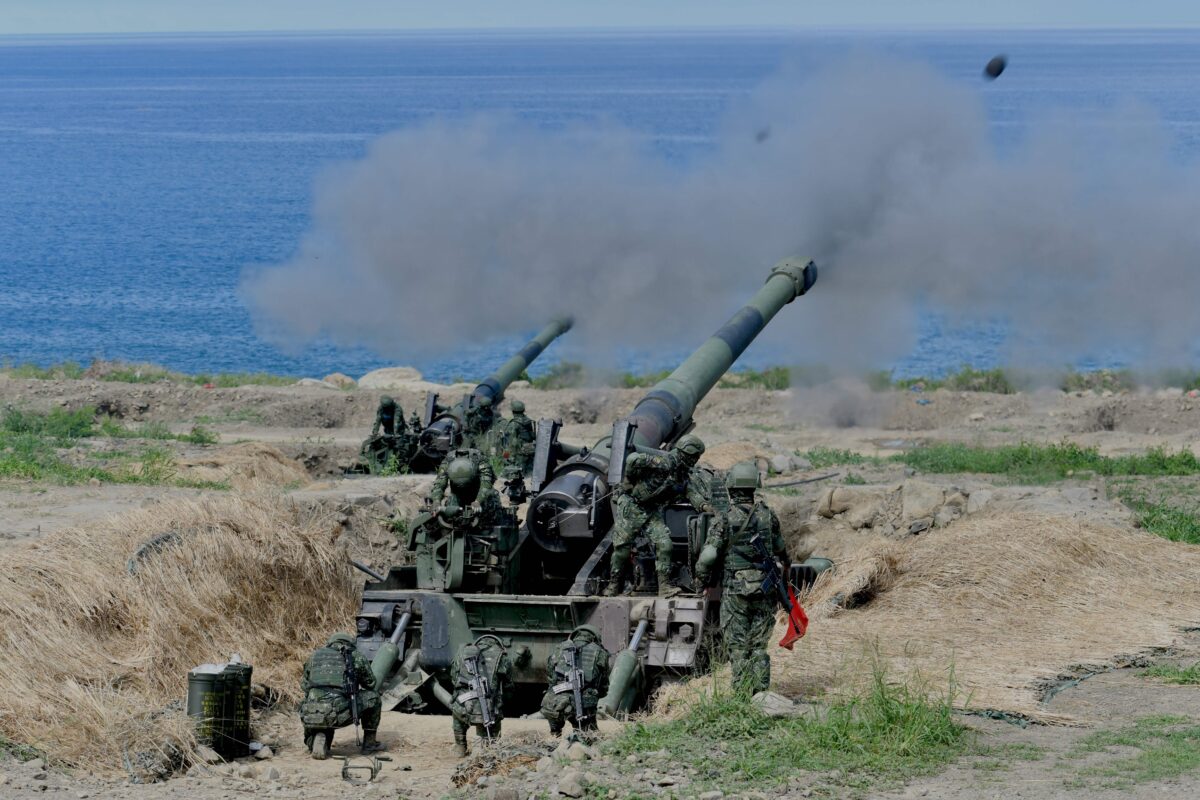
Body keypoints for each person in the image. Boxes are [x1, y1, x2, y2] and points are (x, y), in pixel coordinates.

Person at [694, 461, 787, 694]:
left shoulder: (724, 519)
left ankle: (741, 696)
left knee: (738, 647)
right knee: (759, 647)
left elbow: (708, 557)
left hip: (736, 591)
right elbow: (780, 549)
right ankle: (761, 694)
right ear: (754, 486)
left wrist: (701, 581)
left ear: (731, 487)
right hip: (765, 589)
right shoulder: (768, 515)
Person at [605, 434, 710, 597]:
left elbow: (691, 493)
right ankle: (613, 586)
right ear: (686, 453)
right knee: (622, 549)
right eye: (695, 456)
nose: (696, 460)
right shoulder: (663, 462)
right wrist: (628, 481)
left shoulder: (682, 474)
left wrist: (704, 506)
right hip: (632, 505)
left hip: (651, 509)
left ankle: (664, 587)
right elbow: (632, 459)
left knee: (665, 544)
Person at [298, 633, 383, 759]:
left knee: (314, 702)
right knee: (374, 698)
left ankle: (317, 737)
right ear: (350, 643)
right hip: (338, 713)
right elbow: (370, 683)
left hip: (312, 713)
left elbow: (304, 686)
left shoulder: (315, 656)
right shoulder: (355, 656)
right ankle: (369, 744)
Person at [540, 625, 610, 738]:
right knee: (589, 735)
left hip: (554, 704)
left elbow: (551, 677)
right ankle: (584, 734)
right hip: (584, 706)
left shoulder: (559, 648)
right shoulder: (600, 652)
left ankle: (555, 734)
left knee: (555, 732)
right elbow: (603, 685)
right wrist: (595, 693)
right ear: (594, 638)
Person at [448, 636, 513, 757]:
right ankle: (489, 744)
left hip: (462, 706)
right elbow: (508, 686)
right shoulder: (502, 658)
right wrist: (500, 701)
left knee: (458, 715)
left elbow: (454, 678)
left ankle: (460, 746)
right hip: (488, 709)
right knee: (494, 714)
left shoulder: (461, 654)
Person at [498, 399, 537, 475]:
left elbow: (509, 441)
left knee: (518, 472)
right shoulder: (528, 421)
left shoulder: (514, 424)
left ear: (513, 411)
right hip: (530, 449)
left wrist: (506, 456)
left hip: (519, 451)